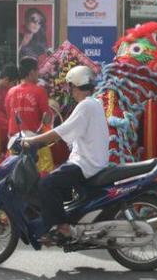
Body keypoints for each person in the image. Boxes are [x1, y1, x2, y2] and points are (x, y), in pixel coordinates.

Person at [21, 66, 110, 239]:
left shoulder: (85, 105)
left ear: (76, 86)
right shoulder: (95, 103)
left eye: (71, 87)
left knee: (46, 184)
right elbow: (70, 132)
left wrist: (33, 140)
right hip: (90, 160)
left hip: (86, 163)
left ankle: (63, 228)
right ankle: (67, 219)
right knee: (59, 181)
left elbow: (63, 129)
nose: (71, 91)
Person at [5, 57, 54, 177]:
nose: (38, 74)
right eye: (37, 71)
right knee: (44, 171)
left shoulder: (11, 92)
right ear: (32, 72)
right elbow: (46, 117)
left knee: (16, 175)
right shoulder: (39, 91)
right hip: (33, 141)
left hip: (14, 141)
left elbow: (8, 114)